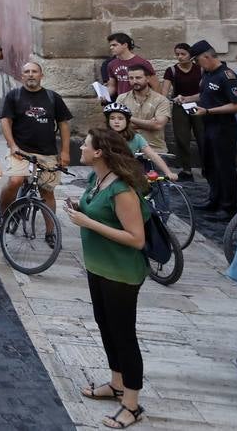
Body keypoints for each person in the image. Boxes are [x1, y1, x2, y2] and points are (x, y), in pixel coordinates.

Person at [65, 125, 150, 429]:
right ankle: (116, 383)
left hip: (121, 273)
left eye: (85, 145)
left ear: (99, 152)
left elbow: (136, 238)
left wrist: (88, 221)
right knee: (106, 326)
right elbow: (96, 211)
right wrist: (80, 208)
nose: (82, 149)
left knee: (124, 335)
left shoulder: (122, 189)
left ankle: (132, 404)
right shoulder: (95, 178)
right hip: (98, 267)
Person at [0, 62, 72, 244]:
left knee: (47, 192)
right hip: (21, 151)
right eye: (27, 72)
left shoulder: (52, 97)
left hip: (47, 153)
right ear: (22, 76)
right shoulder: (14, 96)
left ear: (41, 75)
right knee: (15, 181)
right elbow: (5, 121)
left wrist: (65, 152)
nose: (31, 75)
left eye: (34, 71)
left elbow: (63, 124)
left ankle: (50, 232)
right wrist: (12, 145)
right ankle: (2, 213)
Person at [181, 40, 237, 217]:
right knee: (210, 166)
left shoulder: (227, 76)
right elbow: (206, 94)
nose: (196, 64)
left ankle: (229, 207)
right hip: (209, 126)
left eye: (196, 60)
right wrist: (188, 99)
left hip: (224, 128)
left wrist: (209, 111)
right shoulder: (208, 74)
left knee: (224, 167)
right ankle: (215, 199)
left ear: (207, 56)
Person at [161, 43, 204, 182]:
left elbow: (205, 91)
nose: (180, 57)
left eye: (183, 54)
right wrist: (174, 99)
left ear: (190, 55)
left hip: (199, 105)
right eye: (177, 54)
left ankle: (207, 168)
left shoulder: (200, 69)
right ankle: (187, 170)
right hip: (180, 106)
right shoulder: (171, 70)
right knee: (182, 138)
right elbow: (164, 93)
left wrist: (192, 98)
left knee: (203, 137)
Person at [104, 102, 176, 179]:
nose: (116, 121)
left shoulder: (136, 138)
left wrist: (168, 172)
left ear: (127, 121)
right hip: (106, 174)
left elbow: (153, 155)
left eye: (121, 118)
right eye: (112, 118)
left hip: (128, 174)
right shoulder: (102, 136)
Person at [115, 66, 172, 155]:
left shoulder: (161, 100)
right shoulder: (122, 98)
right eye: (131, 78)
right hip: (128, 149)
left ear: (148, 78)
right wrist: (149, 124)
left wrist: (128, 117)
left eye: (138, 78)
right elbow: (117, 126)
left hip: (155, 149)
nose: (134, 81)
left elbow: (158, 125)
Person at [104, 33, 155, 100]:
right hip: (122, 102)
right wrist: (104, 96)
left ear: (125, 45)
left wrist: (157, 104)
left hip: (142, 101)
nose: (111, 48)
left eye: (114, 45)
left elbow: (155, 85)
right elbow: (112, 86)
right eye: (110, 45)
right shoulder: (111, 64)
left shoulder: (142, 62)